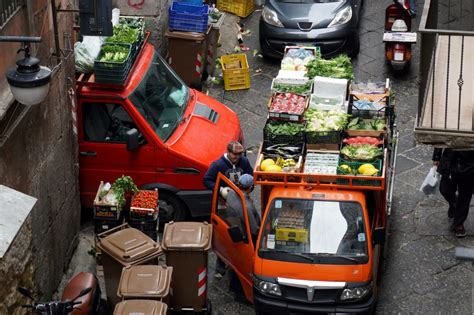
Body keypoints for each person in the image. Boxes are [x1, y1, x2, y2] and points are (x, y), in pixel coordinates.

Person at [214, 174, 261, 279]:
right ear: (251, 188)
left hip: (235, 226)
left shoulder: (231, 194)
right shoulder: (247, 207)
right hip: (246, 236)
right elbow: (254, 230)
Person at [433, 148, 474, 238]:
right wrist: (436, 156)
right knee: (445, 189)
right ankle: (454, 205)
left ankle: (459, 224)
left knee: (465, 194)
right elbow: (441, 135)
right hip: (450, 160)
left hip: (470, 162)